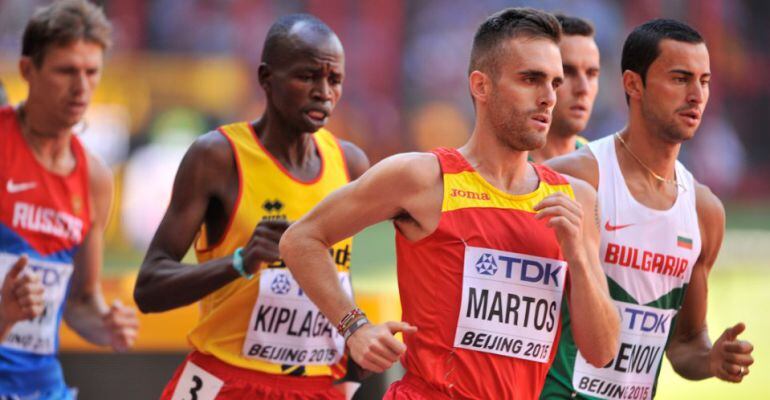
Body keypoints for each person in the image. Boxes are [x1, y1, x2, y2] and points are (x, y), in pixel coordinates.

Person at [280, 8, 619, 400]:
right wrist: (354, 327)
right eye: (531, 79)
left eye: (554, 83)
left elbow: (602, 352)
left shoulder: (575, 199)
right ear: (481, 86)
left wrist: (578, 256)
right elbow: (301, 239)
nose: (548, 98)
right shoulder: (422, 178)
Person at [133, 13, 369, 400]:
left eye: (335, 79)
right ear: (266, 77)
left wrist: (353, 366)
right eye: (307, 76)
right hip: (226, 380)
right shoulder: (218, 157)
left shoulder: (351, 165)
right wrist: (242, 262)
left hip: (318, 384)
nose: (324, 92)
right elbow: (148, 288)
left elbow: (339, 276)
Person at [541, 19, 755, 400]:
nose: (696, 95)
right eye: (680, 79)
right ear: (632, 84)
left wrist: (710, 360)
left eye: (704, 81)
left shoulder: (704, 210)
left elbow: (686, 343)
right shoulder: (575, 177)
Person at [0, 1, 139, 398]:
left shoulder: (94, 178)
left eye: (91, 72)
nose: (81, 88)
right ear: (27, 70)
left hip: (41, 386)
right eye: (66, 71)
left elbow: (81, 301)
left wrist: (106, 325)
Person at [529, 14, 599, 163]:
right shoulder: (501, 170)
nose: (583, 88)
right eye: (567, 72)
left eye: (591, 74)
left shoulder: (603, 164)